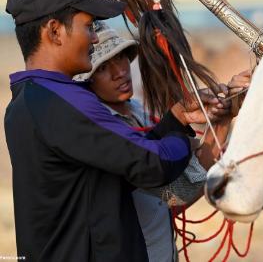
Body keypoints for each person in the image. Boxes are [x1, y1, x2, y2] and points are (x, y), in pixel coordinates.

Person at [4, 0, 225, 262]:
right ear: (55, 31)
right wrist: (180, 137)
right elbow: (154, 163)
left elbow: (122, 157)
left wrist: (177, 118)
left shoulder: (29, 100)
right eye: (88, 26)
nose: (95, 39)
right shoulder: (62, 102)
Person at [75, 21, 236, 261]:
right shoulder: (101, 133)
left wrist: (225, 116)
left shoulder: (138, 112)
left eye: (120, 58)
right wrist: (184, 134)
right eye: (102, 68)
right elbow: (177, 193)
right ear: (86, 79)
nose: (119, 71)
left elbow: (176, 194)